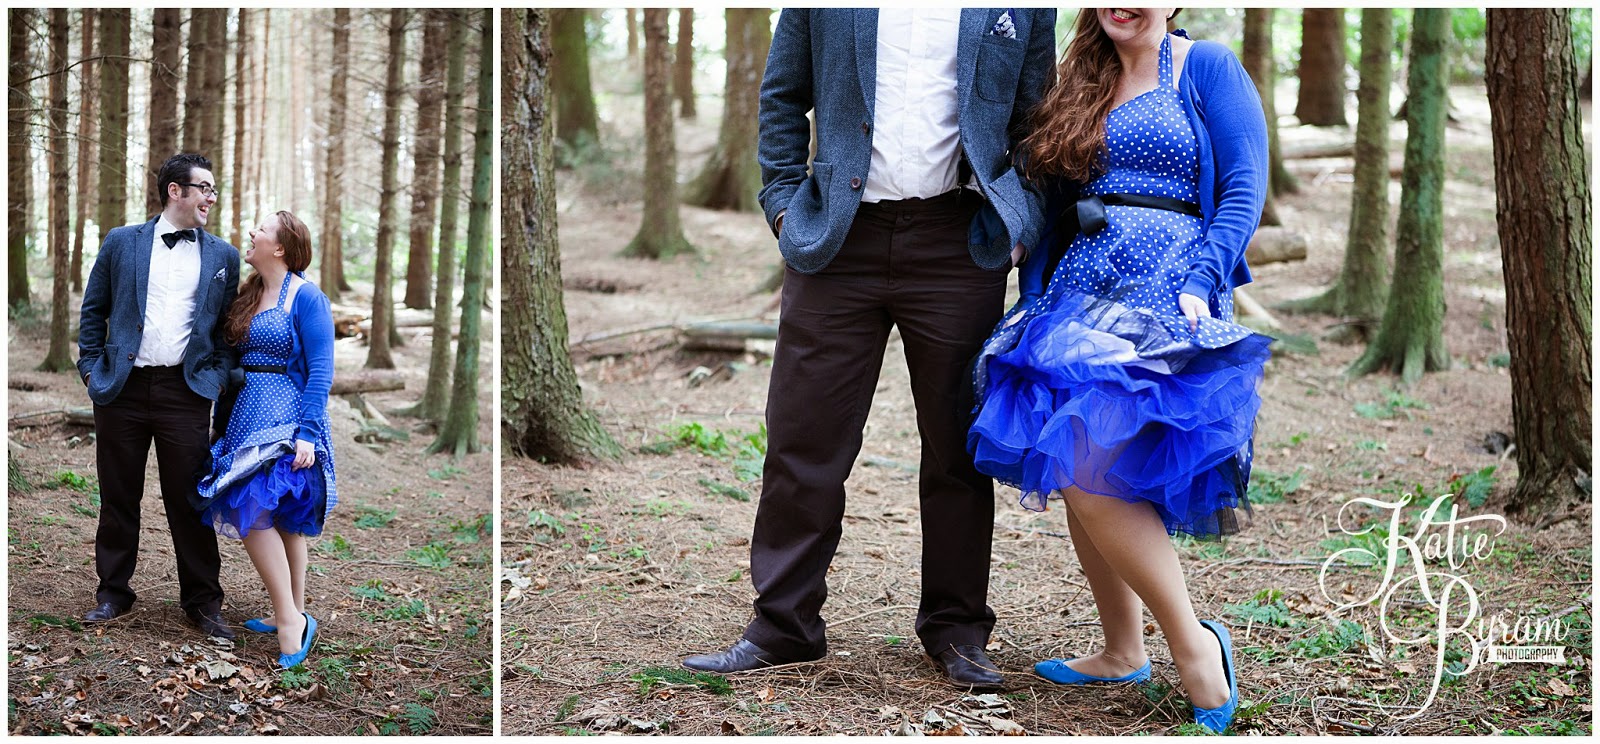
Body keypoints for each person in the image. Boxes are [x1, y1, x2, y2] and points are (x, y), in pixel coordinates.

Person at [683, 9, 1056, 690]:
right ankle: (784, 626)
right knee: (803, 439)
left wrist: (1021, 218)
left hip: (958, 243)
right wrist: (783, 203)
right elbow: (782, 95)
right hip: (836, 241)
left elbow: (1035, 114)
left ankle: (957, 629)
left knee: (957, 451)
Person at [965, 8, 1270, 733]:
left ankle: (1194, 645)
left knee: (1093, 459)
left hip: (1170, 290)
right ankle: (1122, 647)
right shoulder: (1078, 77)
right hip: (1078, 290)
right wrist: (1030, 291)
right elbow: (1055, 202)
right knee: (1076, 459)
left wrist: (1204, 277)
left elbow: (1243, 188)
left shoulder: (1208, 69)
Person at [77, 153, 239, 640]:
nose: (211, 197)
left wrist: (215, 379)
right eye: (204, 188)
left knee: (189, 500)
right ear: (176, 191)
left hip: (184, 391)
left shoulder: (224, 257)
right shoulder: (122, 242)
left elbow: (228, 332)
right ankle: (113, 593)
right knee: (118, 494)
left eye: (212, 189)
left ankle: (204, 602)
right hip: (121, 390)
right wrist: (90, 369)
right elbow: (94, 310)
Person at [194, 211, 337, 669]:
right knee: (276, 517)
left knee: (251, 506)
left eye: (261, 229)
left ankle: (290, 619)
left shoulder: (308, 298)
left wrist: (308, 435)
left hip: (288, 417)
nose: (251, 233)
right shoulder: (249, 294)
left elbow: (321, 372)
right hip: (246, 414)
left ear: (280, 248)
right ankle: (290, 614)